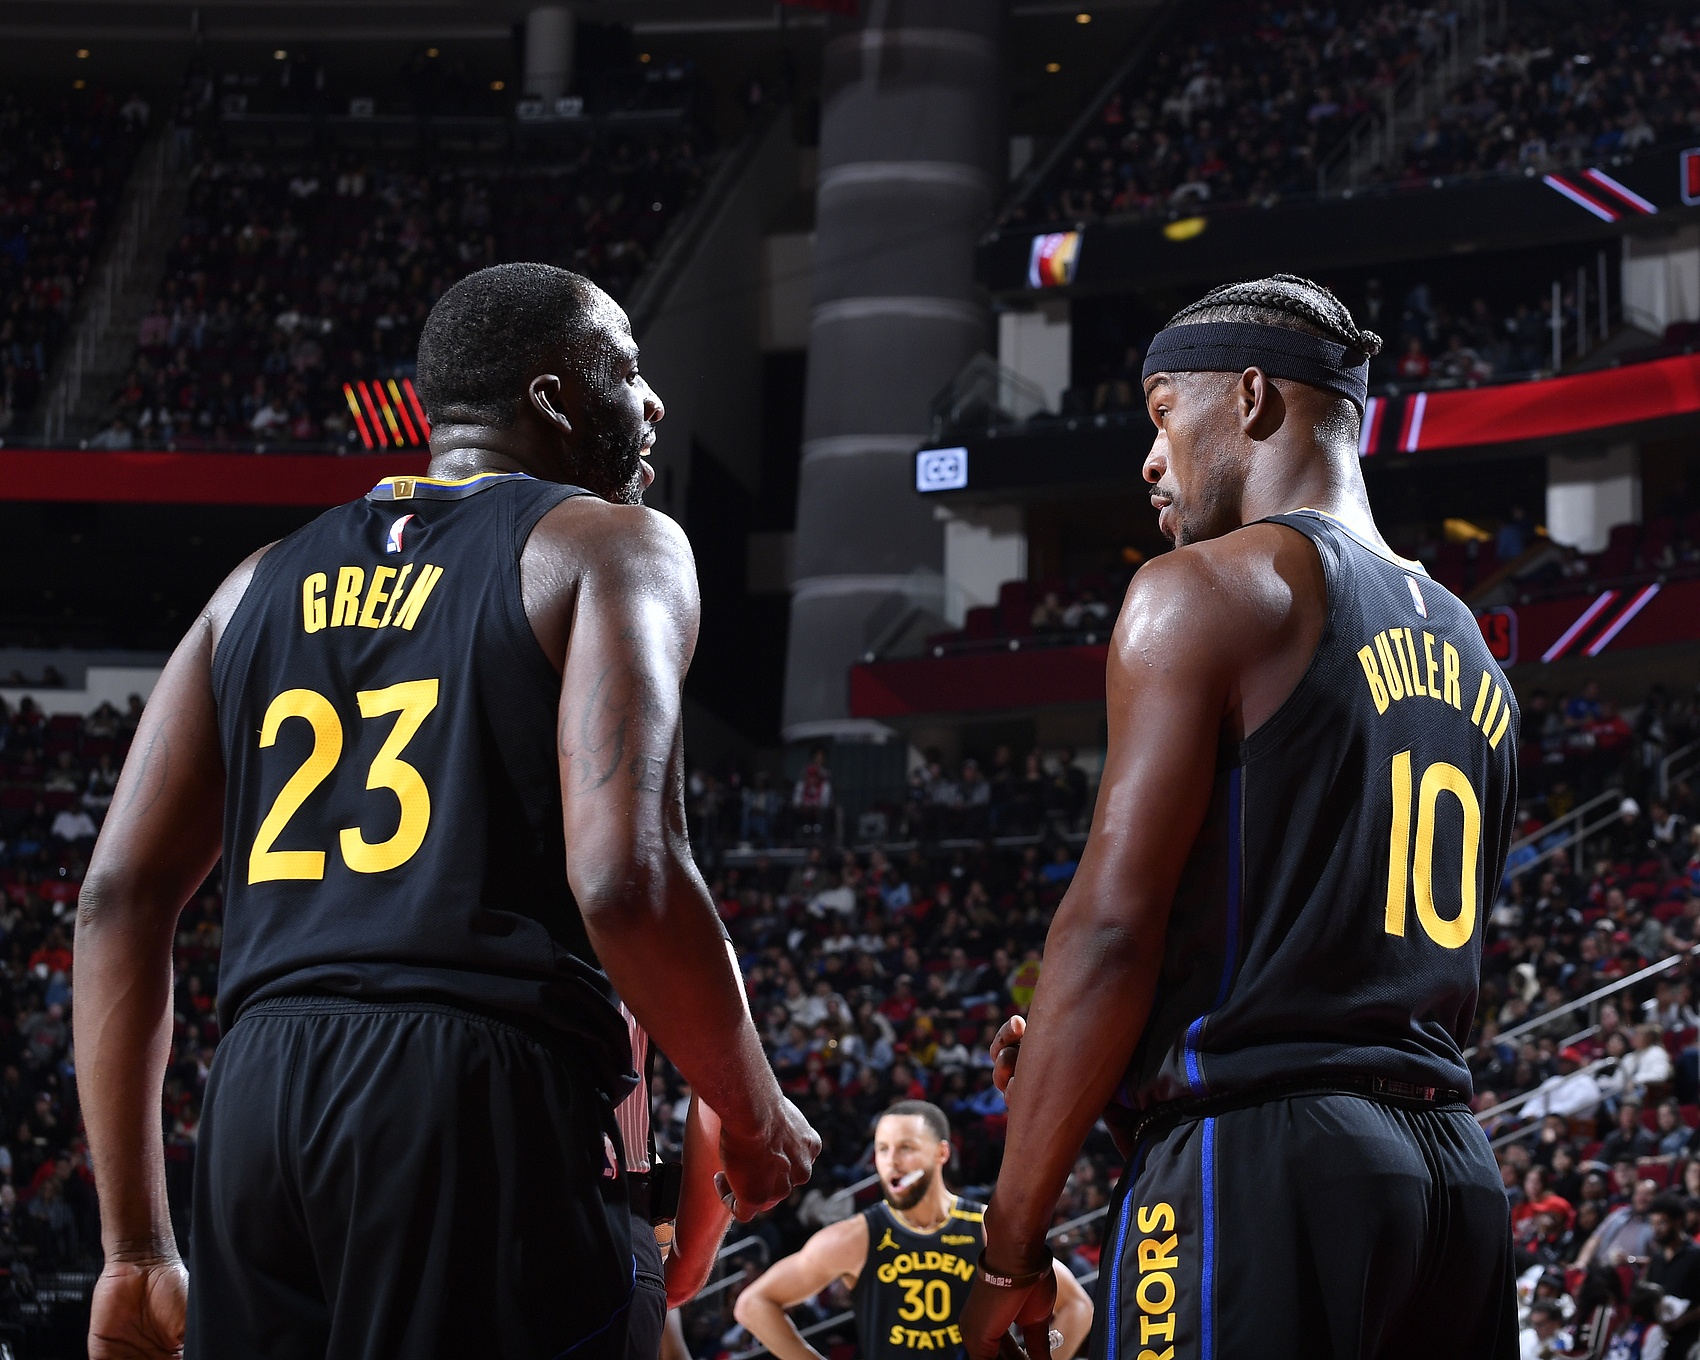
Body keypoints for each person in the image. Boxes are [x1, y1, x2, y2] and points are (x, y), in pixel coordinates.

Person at [74, 262, 818, 1360]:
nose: (654, 401)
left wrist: (135, 1249)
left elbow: (115, 899)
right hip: (470, 1092)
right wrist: (753, 1117)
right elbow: (625, 879)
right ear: (555, 399)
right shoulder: (610, 544)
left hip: (259, 1100)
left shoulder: (251, 585)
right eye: (627, 369)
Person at [958, 275, 1520, 1360]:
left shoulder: (1204, 588)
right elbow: (1326, 949)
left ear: (1252, 399)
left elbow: (1108, 933)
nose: (1148, 459)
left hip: (1262, 1159)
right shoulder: (1472, 646)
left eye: (1164, 412)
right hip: (1454, 1181)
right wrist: (1119, 1067)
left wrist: (1009, 1249)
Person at [734, 1101, 1093, 1360]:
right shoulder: (856, 1238)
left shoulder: (986, 1229)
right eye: (882, 1149)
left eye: (906, 1148)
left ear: (941, 1154)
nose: (892, 1160)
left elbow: (1077, 1305)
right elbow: (754, 1304)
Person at [1644, 1194, 1700, 1357]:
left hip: (1689, 1337)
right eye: (1653, 1224)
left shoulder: (1695, 1256)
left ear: (1678, 1222)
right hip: (1658, 1334)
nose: (1656, 1229)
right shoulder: (1657, 1257)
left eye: (1662, 1223)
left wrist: (1680, 1321)